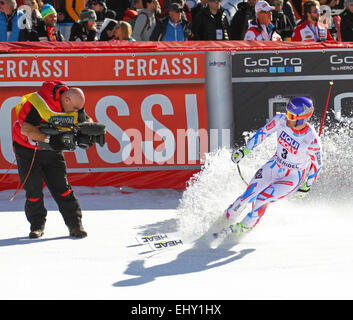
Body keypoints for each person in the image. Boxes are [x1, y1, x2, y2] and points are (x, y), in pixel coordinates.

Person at [12, 81, 104, 239]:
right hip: (27, 150)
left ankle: (75, 225)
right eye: (76, 108)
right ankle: (37, 226)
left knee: (63, 188)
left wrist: (91, 131)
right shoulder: (39, 103)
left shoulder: (73, 105)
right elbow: (26, 129)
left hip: (51, 151)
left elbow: (84, 118)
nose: (77, 111)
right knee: (33, 191)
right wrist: (49, 139)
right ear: (66, 100)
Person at [223, 97, 322, 237]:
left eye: (292, 116)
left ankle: (242, 229)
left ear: (302, 118)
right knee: (246, 196)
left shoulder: (311, 140)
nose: (287, 118)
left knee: (261, 199)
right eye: (287, 112)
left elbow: (317, 164)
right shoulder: (280, 120)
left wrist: (307, 186)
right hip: (274, 165)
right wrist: (243, 151)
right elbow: (262, 133)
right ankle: (224, 220)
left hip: (292, 176)